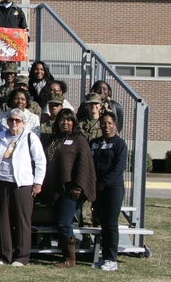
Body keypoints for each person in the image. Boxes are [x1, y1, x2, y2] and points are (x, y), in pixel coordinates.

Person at [42, 109, 97, 268]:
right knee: (58, 222)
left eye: (68, 120)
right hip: (54, 189)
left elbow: (84, 164)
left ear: (74, 122)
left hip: (70, 190)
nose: (65, 123)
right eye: (62, 120)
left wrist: (79, 186)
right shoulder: (53, 139)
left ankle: (70, 259)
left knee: (64, 222)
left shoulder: (79, 140)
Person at [0, 108, 47, 266]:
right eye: (11, 120)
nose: (14, 123)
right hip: (2, 181)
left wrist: (38, 182)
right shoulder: (0, 137)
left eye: (17, 120)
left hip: (22, 183)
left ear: (23, 122)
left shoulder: (30, 137)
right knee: (3, 219)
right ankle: (5, 255)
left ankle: (21, 256)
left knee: (22, 220)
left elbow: (40, 161)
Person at [91, 112, 128, 272]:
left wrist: (103, 183)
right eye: (103, 123)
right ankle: (104, 257)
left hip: (113, 188)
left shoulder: (119, 144)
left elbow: (119, 168)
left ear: (115, 124)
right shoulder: (94, 143)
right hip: (97, 189)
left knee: (111, 224)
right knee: (103, 223)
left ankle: (111, 259)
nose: (106, 126)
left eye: (109, 123)